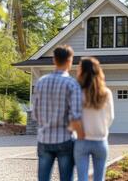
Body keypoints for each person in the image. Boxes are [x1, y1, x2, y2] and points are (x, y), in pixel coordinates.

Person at [32, 45, 85, 181]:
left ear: (54, 60)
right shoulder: (72, 84)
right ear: (70, 61)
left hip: (44, 139)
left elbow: (35, 114)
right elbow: (76, 117)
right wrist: (81, 139)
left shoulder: (40, 82)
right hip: (65, 139)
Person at [74, 57, 114, 181]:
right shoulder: (106, 93)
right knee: (99, 178)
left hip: (82, 140)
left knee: (82, 178)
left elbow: (73, 116)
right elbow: (111, 117)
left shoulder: (77, 92)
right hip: (100, 140)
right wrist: (102, 128)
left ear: (82, 72)